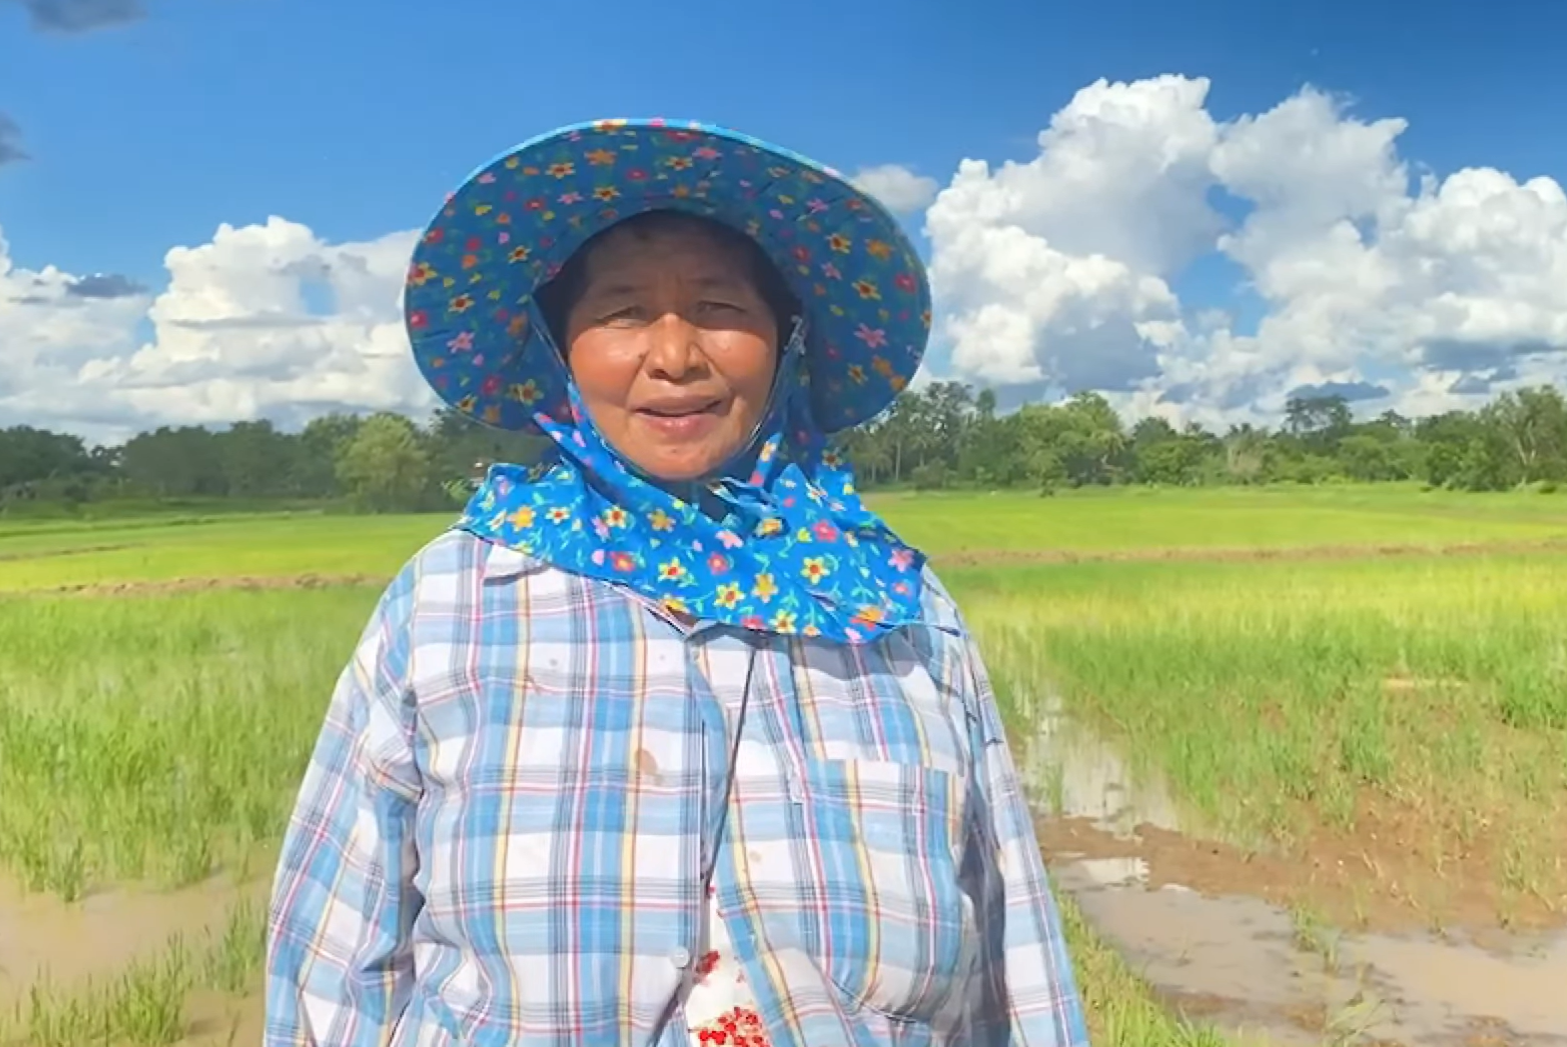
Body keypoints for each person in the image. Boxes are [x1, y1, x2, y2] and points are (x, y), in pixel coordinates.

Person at [264, 119, 1089, 1047]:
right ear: (557, 349)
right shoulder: (457, 596)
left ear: (787, 342)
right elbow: (338, 958)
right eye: (621, 311)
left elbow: (1013, 951)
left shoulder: (889, 608)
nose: (674, 355)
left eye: (720, 308)